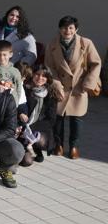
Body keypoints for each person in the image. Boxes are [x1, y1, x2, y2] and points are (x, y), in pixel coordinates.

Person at [44, 16, 101, 159]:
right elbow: (49, 66)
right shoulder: (52, 44)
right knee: (58, 118)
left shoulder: (86, 43)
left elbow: (96, 63)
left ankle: (74, 146)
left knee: (77, 119)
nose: (67, 31)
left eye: (70, 28)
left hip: (78, 86)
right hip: (60, 86)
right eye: (64, 27)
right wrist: (56, 83)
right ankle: (59, 145)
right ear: (60, 29)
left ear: (76, 29)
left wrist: (88, 83)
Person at [17, 64, 58, 166]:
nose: (40, 78)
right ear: (32, 75)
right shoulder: (25, 89)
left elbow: (51, 119)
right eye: (37, 74)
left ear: (48, 79)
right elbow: (17, 108)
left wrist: (32, 129)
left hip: (40, 128)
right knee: (27, 162)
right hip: (22, 127)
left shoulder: (51, 94)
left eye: (44, 76)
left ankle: (36, 147)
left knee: (41, 141)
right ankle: (26, 148)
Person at [0, 40, 25, 106]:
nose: (2, 57)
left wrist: (15, 104)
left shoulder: (15, 71)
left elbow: (19, 89)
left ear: (11, 54)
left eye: (4, 55)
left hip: (10, 104)